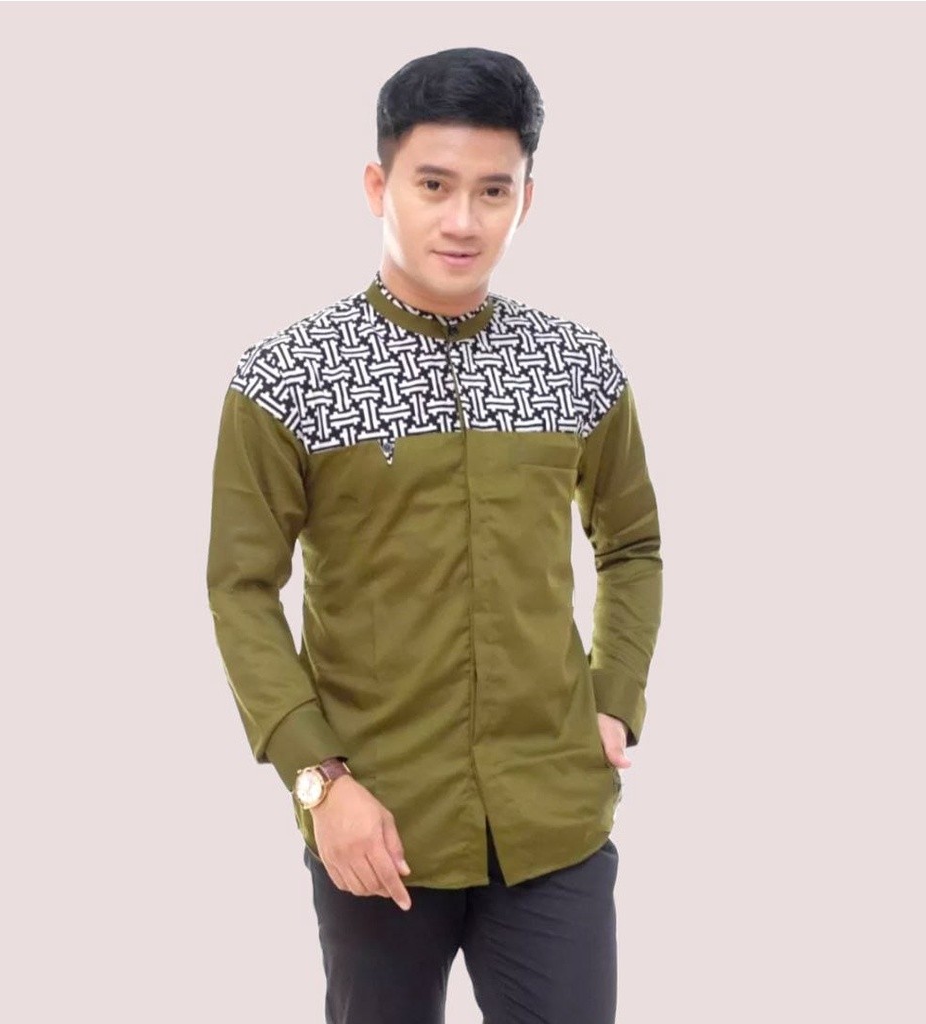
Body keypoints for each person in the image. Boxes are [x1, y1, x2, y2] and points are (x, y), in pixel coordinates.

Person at [206, 45, 663, 1024]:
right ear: (380, 186)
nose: (463, 219)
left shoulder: (576, 366)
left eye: (493, 190)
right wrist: (319, 780)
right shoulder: (289, 376)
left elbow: (630, 545)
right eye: (434, 185)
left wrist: (615, 700)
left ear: (525, 200)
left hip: (554, 821)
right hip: (377, 824)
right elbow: (240, 588)